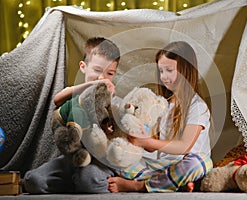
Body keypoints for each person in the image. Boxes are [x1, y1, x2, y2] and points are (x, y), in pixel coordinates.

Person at [108, 41, 213, 193]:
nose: (164, 77)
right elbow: (153, 148)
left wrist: (149, 142)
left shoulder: (197, 106)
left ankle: (140, 186)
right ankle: (169, 183)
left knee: (201, 162)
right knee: (115, 155)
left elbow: (185, 146)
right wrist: (138, 138)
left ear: (185, 71)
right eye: (161, 71)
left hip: (185, 164)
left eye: (169, 70)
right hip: (162, 165)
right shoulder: (164, 104)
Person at [23, 37, 121, 194]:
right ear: (83, 67)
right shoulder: (77, 93)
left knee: (89, 179)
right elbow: (58, 99)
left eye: (109, 73)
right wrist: (90, 85)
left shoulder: (113, 100)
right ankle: (74, 183)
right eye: (97, 70)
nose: (102, 78)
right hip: (72, 158)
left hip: (98, 161)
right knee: (33, 181)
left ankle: (83, 182)